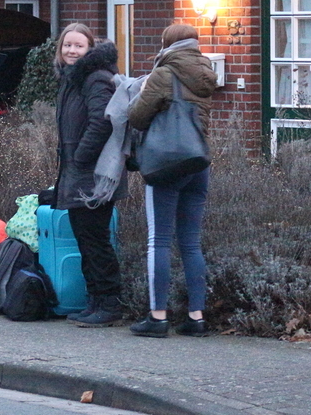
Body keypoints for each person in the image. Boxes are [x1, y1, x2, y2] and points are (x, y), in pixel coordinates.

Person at [127, 23, 218, 338]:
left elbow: (137, 117)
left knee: (159, 240)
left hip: (167, 165)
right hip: (198, 163)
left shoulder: (164, 74)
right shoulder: (205, 75)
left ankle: (157, 317)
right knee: (191, 242)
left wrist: (142, 92)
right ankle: (196, 317)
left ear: (167, 44)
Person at [53, 23, 126, 327]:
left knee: (95, 240)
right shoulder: (72, 79)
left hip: (95, 175)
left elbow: (102, 121)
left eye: (78, 46)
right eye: (67, 45)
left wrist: (81, 156)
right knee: (85, 238)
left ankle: (109, 304)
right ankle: (94, 301)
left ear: (89, 49)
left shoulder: (95, 79)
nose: (71, 51)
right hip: (79, 173)